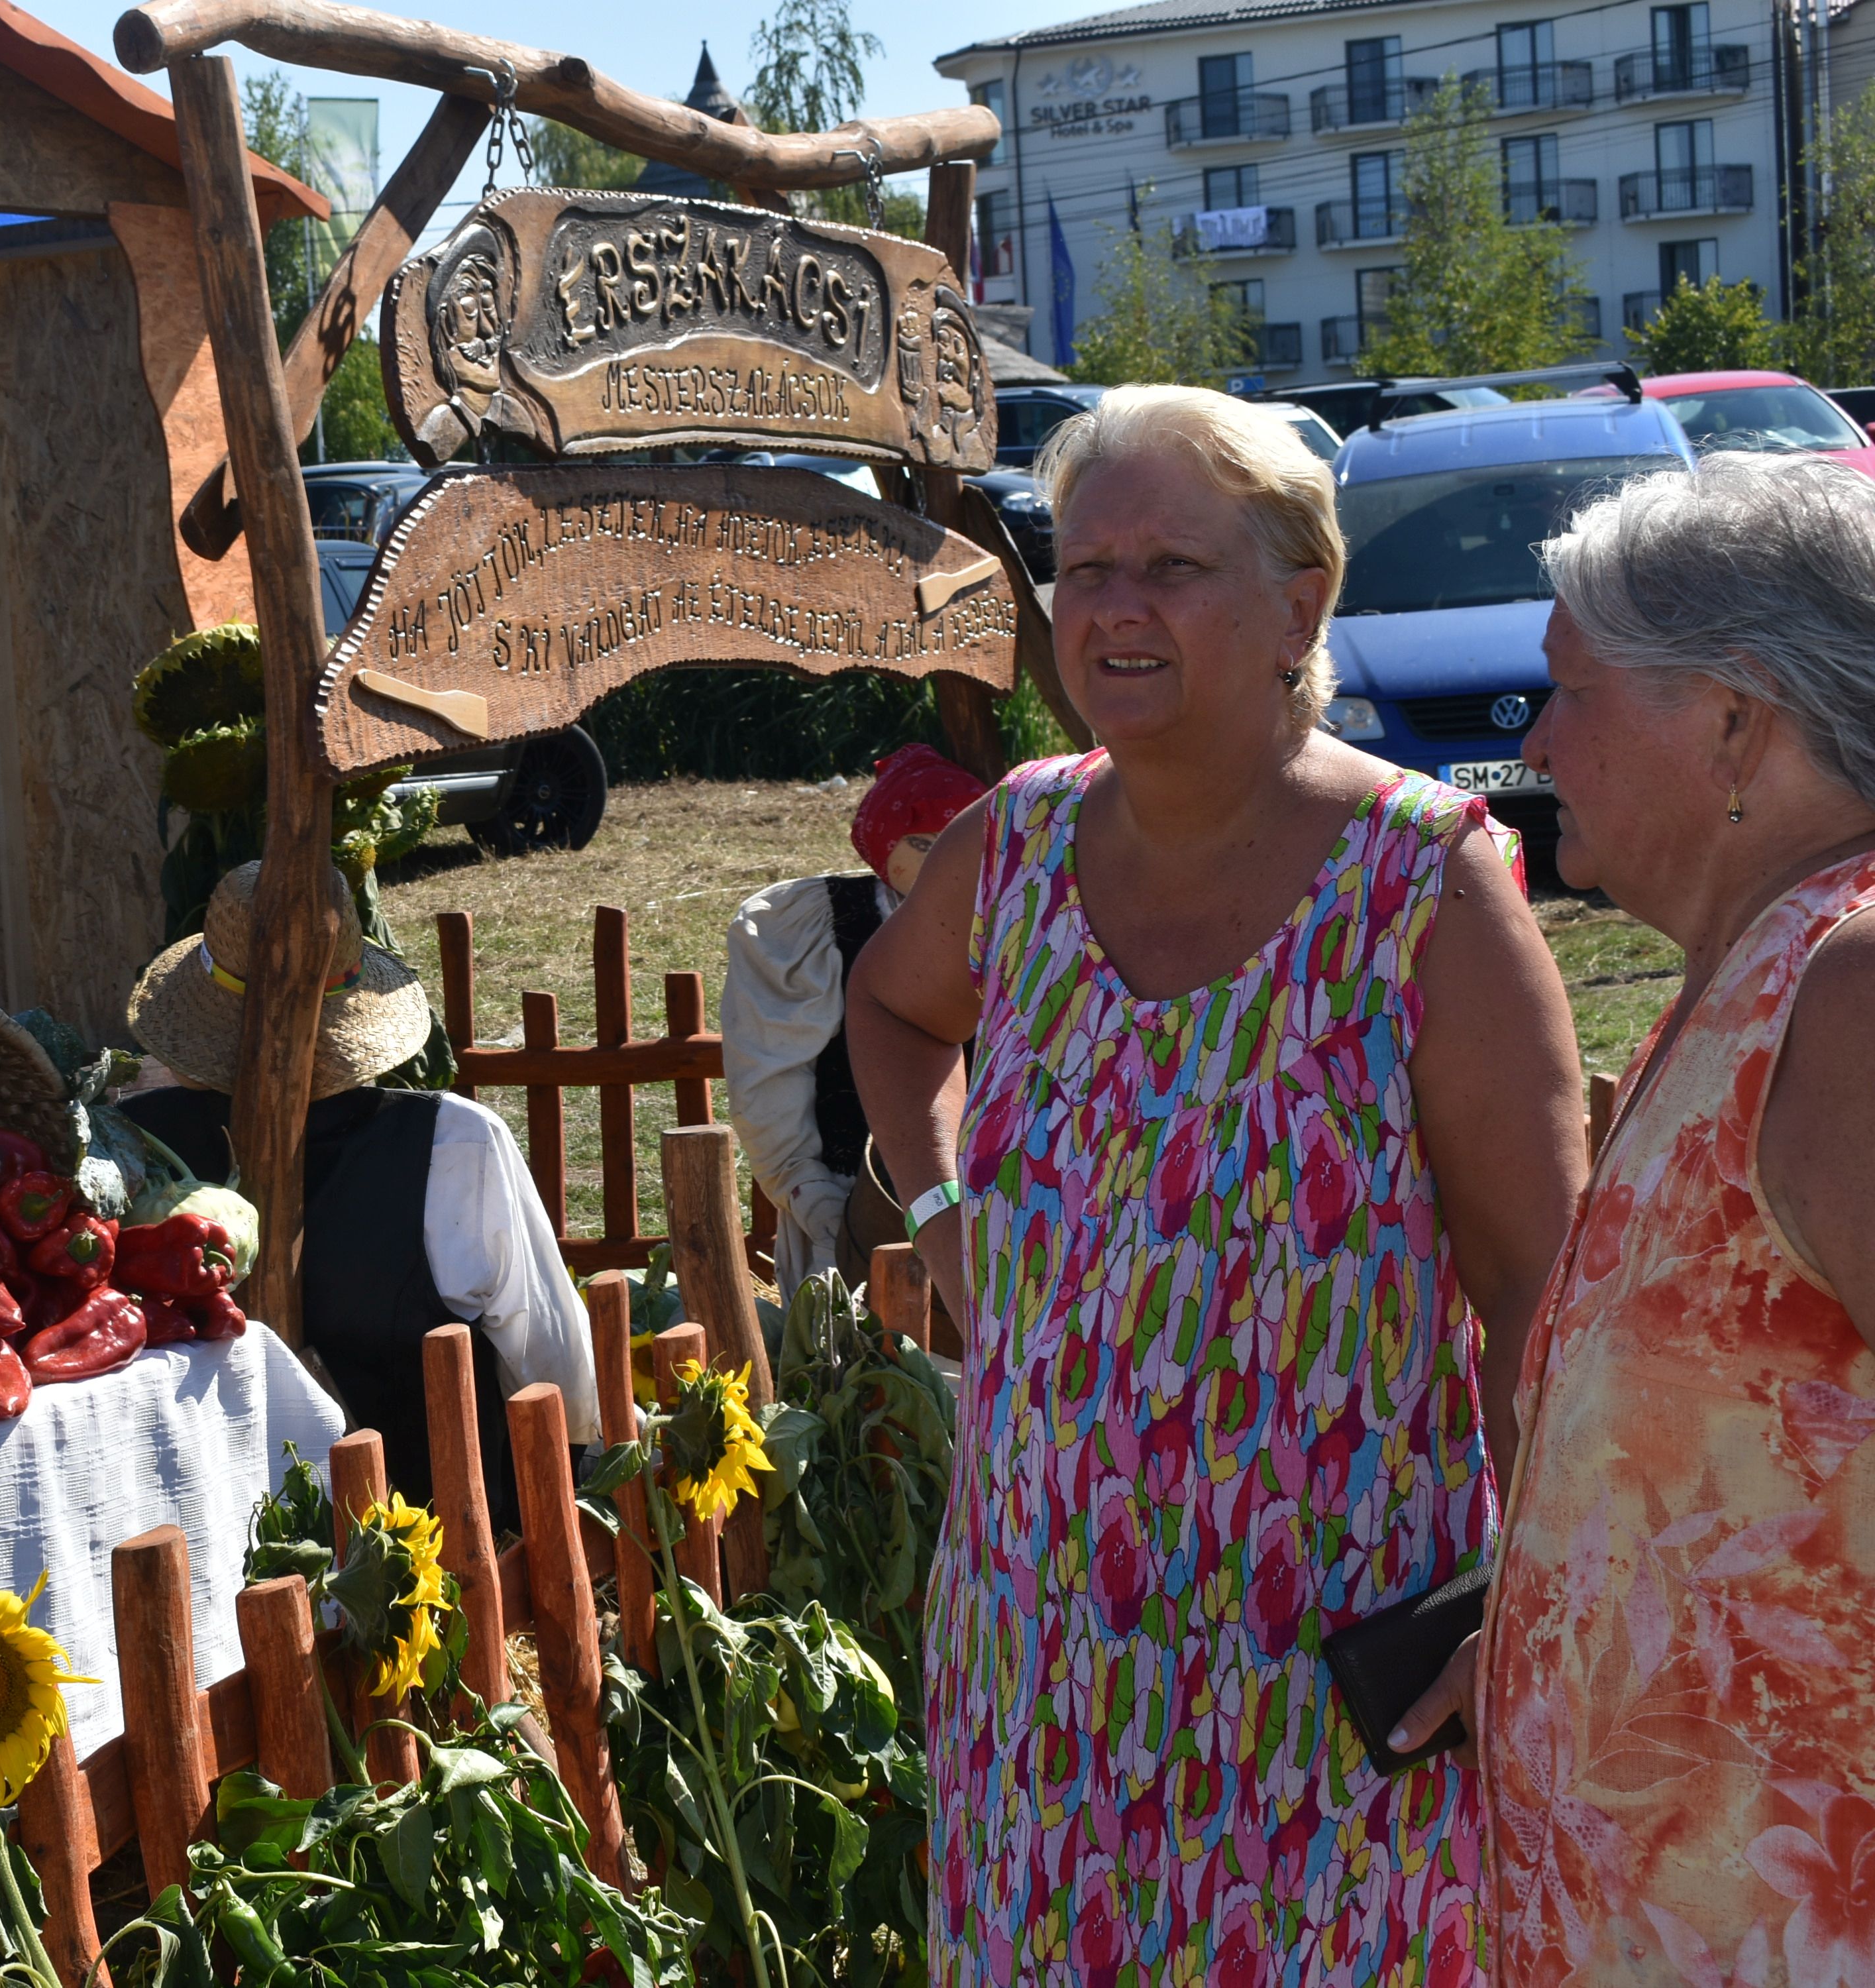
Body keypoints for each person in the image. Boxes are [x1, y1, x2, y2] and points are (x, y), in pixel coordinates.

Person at [843, 386, 1589, 1980]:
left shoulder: (1423, 883)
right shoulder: (1018, 846)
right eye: (1083, 565)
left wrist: (1527, 1595)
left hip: (1332, 1694)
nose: (1109, 604)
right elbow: (893, 1014)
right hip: (1040, 1666)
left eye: (1169, 564)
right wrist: (937, 1212)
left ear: (1296, 600)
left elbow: (1545, 1289)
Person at [1388, 455, 1875, 1983]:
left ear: (1732, 718)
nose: (1531, 741)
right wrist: (1559, 1630)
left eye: (1571, 689)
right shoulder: (1744, 978)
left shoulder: (1847, 991)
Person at [121, 859, 595, 1518]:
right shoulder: (453, 1144)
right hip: (426, 1556)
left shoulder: (127, 1149)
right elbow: (550, 1363)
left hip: (201, 1543)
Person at [723, 746, 987, 1290]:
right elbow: (770, 1074)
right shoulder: (817, 928)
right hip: (852, 1208)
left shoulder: (1014, 923)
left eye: (954, 847)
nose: (941, 864)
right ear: (884, 843)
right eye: (921, 844)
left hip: (987, 1214)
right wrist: (810, 1194)